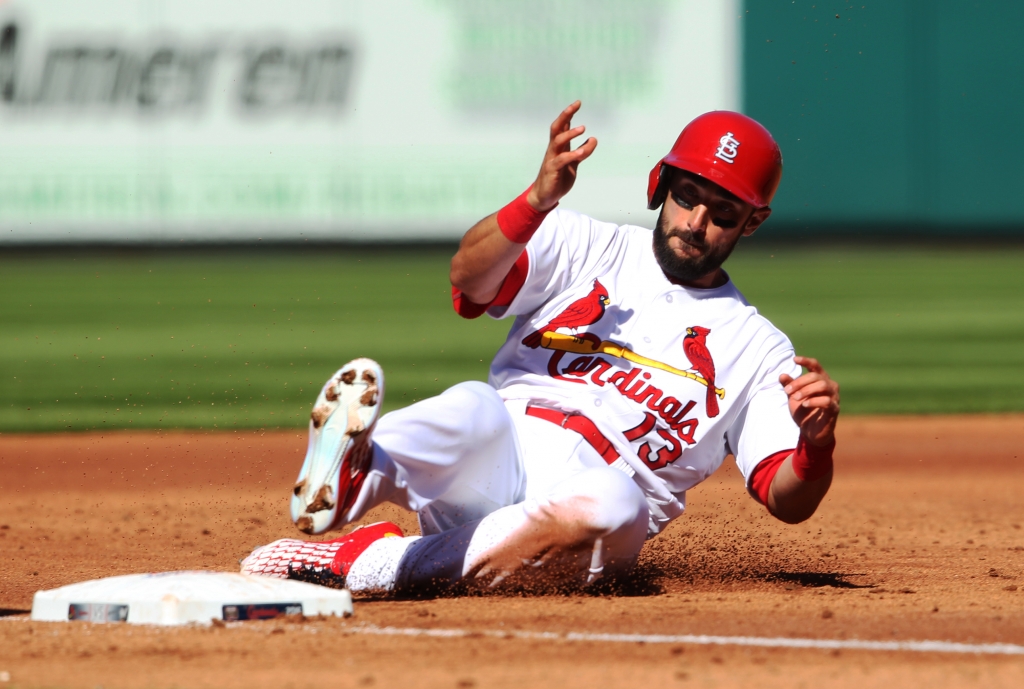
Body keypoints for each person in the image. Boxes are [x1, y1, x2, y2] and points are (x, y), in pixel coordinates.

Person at [241, 102, 840, 595]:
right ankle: (356, 475)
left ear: (751, 223)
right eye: (688, 197)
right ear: (662, 186)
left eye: (723, 212)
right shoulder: (582, 241)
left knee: (612, 500)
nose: (696, 221)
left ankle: (367, 563)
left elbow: (787, 499)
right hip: (504, 449)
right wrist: (535, 200)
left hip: (584, 518)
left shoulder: (759, 350)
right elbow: (467, 279)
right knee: (473, 406)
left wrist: (815, 445)